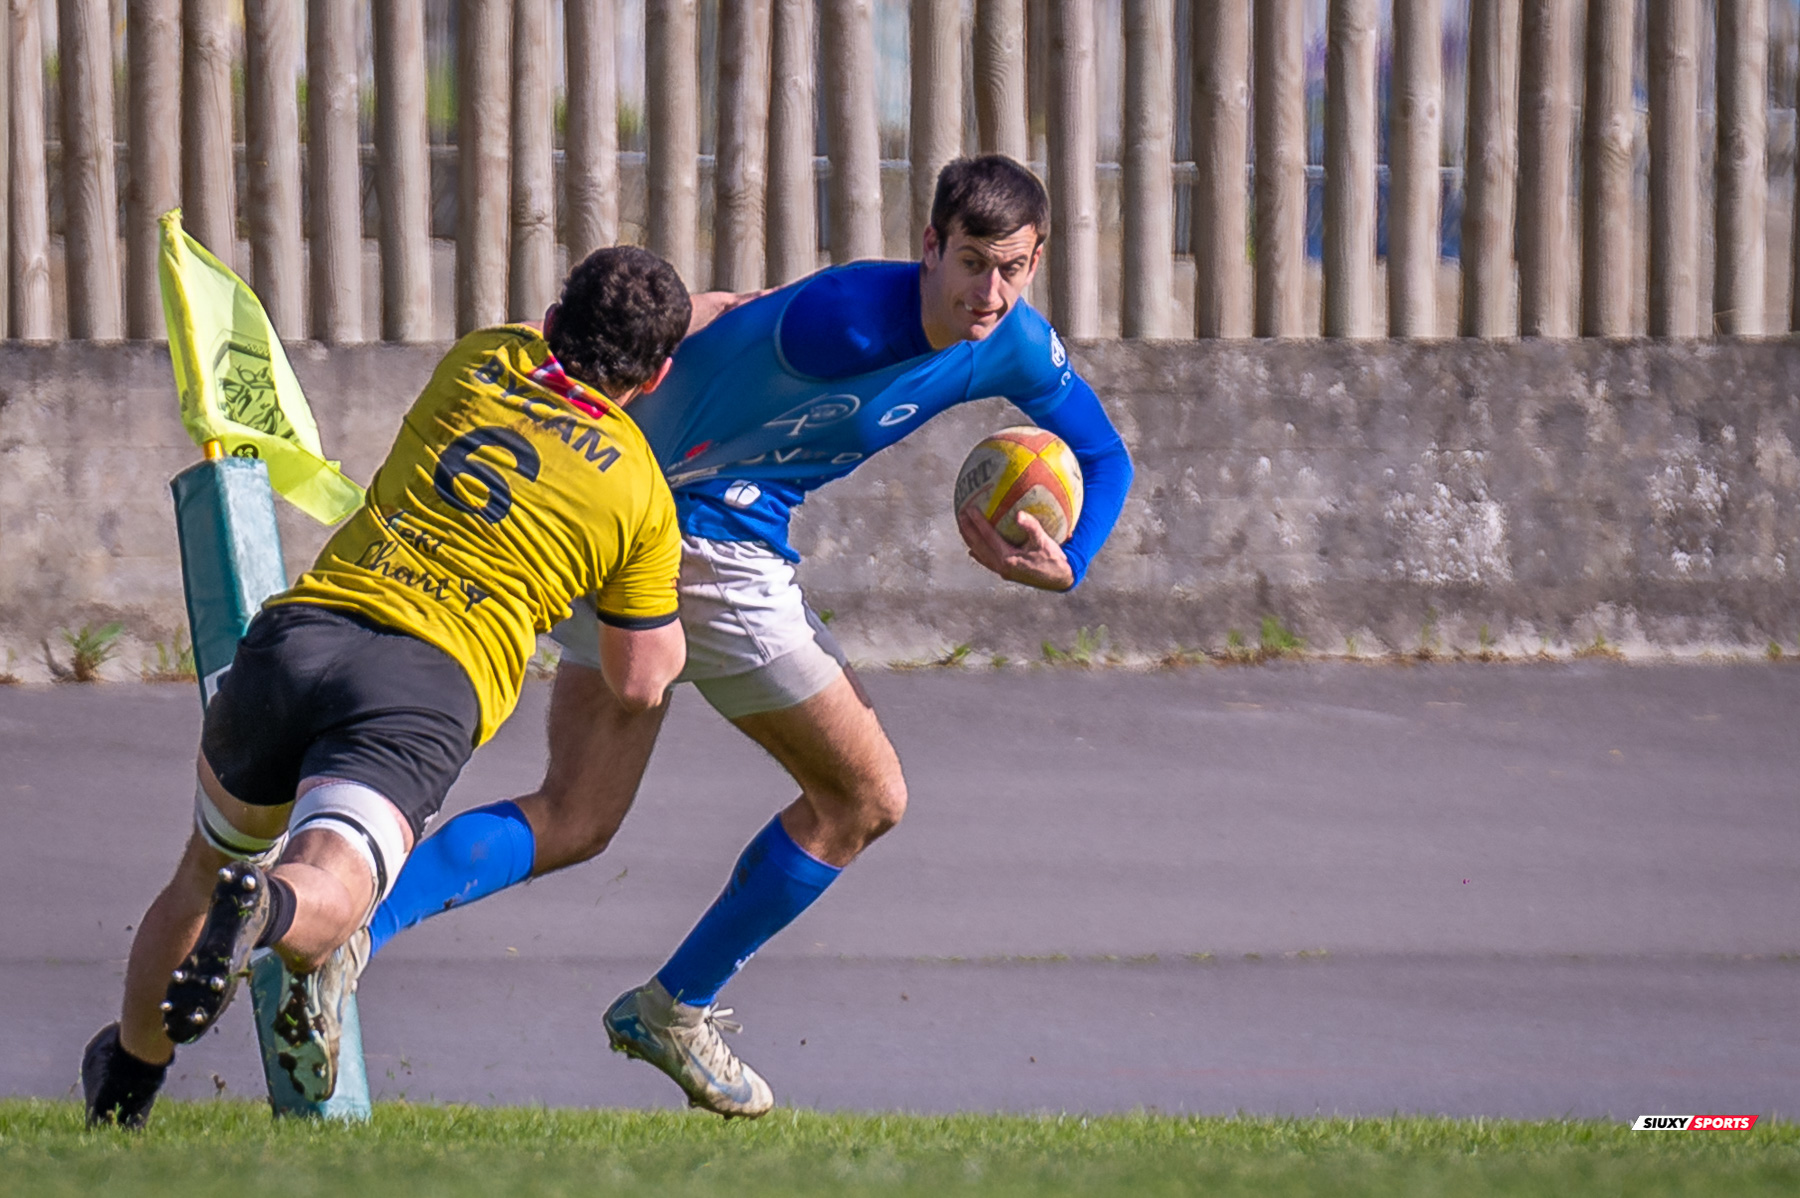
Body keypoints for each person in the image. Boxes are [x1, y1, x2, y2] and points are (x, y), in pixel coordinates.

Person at [363, 154, 1135, 1117]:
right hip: (696, 544)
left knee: (576, 817)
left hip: (652, 536)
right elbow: (700, 345)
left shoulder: (1015, 342)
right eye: (972, 260)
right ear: (929, 247)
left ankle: (341, 930)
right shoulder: (839, 320)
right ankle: (673, 1007)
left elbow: (1104, 454)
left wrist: (1073, 560)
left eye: (1014, 267)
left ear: (1036, 261)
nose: (990, 291)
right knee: (865, 796)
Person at [79, 247, 694, 1128]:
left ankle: (125, 1093)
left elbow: (555, 341)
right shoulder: (639, 491)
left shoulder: (484, 357)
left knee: (204, 865)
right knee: (329, 893)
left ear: (555, 321)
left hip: (303, 633)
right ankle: (267, 914)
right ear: (661, 374)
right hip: (424, 685)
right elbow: (638, 681)